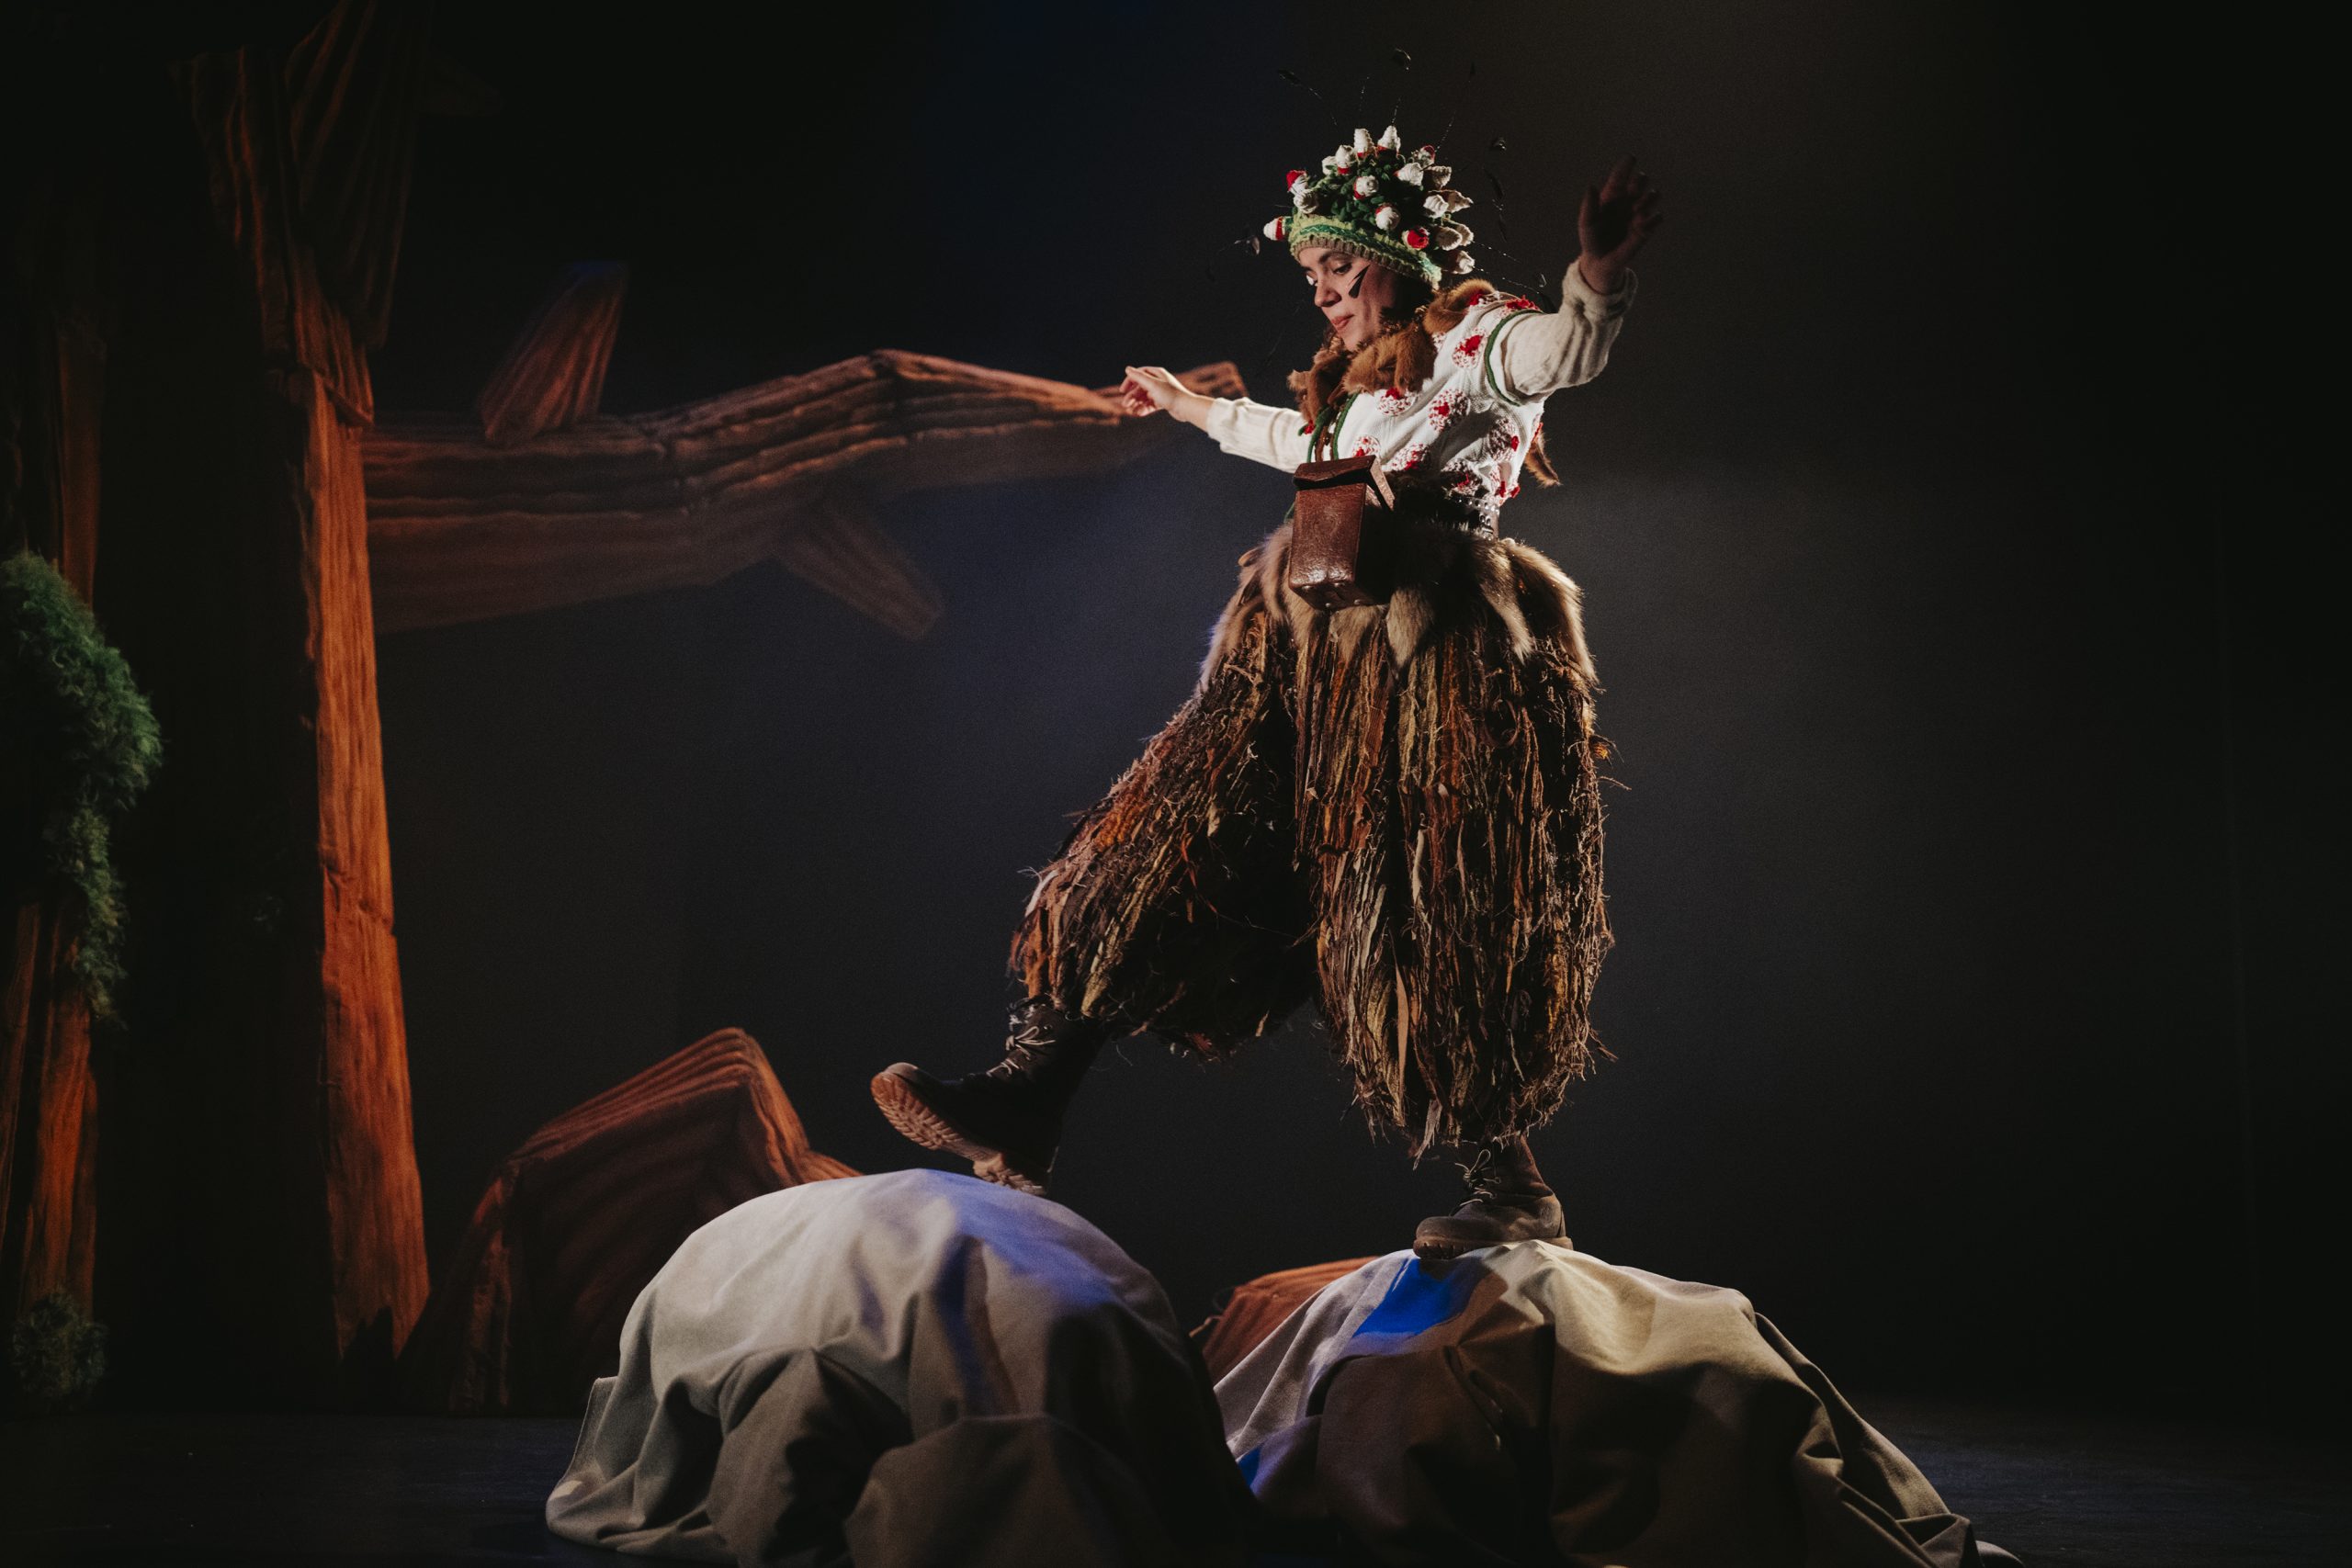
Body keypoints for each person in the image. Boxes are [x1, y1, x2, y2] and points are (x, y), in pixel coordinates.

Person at [875, 126, 1662, 1258]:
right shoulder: (1347, 385)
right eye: (1311, 276)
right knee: (1158, 844)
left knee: (1423, 908)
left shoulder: (1475, 339)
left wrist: (1593, 277)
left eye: (1341, 268)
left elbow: (1564, 356)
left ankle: (1507, 1181)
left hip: (1428, 667)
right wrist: (1191, 409)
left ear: (1399, 256)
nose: (1325, 293)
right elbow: (1299, 441)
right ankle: (1026, 1092)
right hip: (1299, 660)